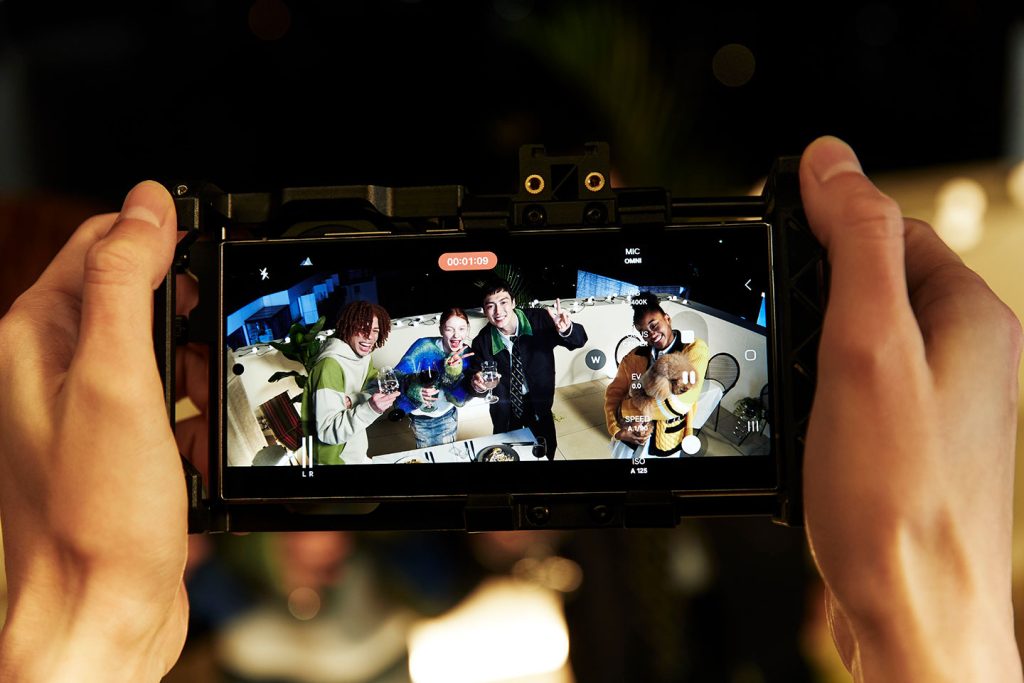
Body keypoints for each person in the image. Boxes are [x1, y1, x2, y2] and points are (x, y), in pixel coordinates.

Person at [0, 137, 1021, 682]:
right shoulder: (422, 359)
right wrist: (927, 616)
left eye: (485, 310)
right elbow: (438, 399)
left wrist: (93, 623)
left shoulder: (537, 336)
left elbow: (555, 370)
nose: (474, 321)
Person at [469, 280, 588, 460]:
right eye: (490, 306)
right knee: (504, 455)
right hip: (505, 412)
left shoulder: (539, 320)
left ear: (513, 302)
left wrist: (566, 330)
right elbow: (476, 383)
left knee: (545, 452)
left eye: (503, 302)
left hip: (539, 404)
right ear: (485, 311)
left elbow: (579, 340)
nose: (498, 311)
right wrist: (478, 385)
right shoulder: (482, 341)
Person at [604, 292, 710, 457]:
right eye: (643, 332)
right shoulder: (633, 357)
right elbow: (613, 394)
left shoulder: (694, 349)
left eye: (653, 325)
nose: (651, 334)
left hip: (667, 440)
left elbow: (678, 402)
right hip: (629, 440)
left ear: (667, 319)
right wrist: (616, 430)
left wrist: (624, 410)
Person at [301, 300, 400, 465]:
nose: (370, 336)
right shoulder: (328, 366)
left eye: (375, 330)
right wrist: (371, 408)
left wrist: (353, 399)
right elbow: (327, 432)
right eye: (363, 328)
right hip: (335, 461)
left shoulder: (363, 357)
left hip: (357, 452)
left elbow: (375, 387)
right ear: (347, 327)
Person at [392, 307, 475, 448]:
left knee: (448, 452)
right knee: (425, 454)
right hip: (419, 417)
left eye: (461, 329)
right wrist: (416, 389)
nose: (456, 335)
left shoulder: (466, 355)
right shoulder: (424, 346)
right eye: (449, 329)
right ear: (441, 329)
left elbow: (459, 400)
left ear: (467, 329)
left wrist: (452, 372)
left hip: (447, 415)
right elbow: (397, 377)